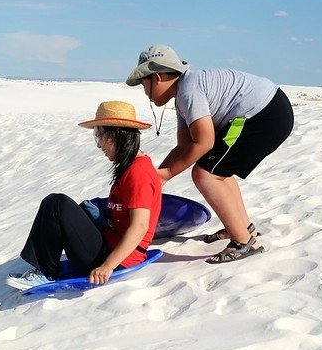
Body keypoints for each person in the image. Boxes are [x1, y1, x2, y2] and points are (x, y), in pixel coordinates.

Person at [125, 44, 295, 264]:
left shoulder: (189, 92)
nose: (145, 92)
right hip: (269, 110)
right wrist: (158, 175)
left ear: (156, 78)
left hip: (264, 114)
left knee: (205, 174)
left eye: (143, 84)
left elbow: (204, 142)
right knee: (219, 171)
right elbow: (183, 147)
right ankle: (243, 227)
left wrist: (165, 175)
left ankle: (242, 241)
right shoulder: (184, 95)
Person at [7, 101, 162, 290]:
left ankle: (46, 273)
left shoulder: (138, 172)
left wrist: (107, 266)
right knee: (60, 205)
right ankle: (44, 267)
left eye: (100, 136)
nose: (99, 145)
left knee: (57, 204)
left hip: (119, 258)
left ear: (116, 136)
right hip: (109, 245)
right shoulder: (131, 167)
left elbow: (140, 226)